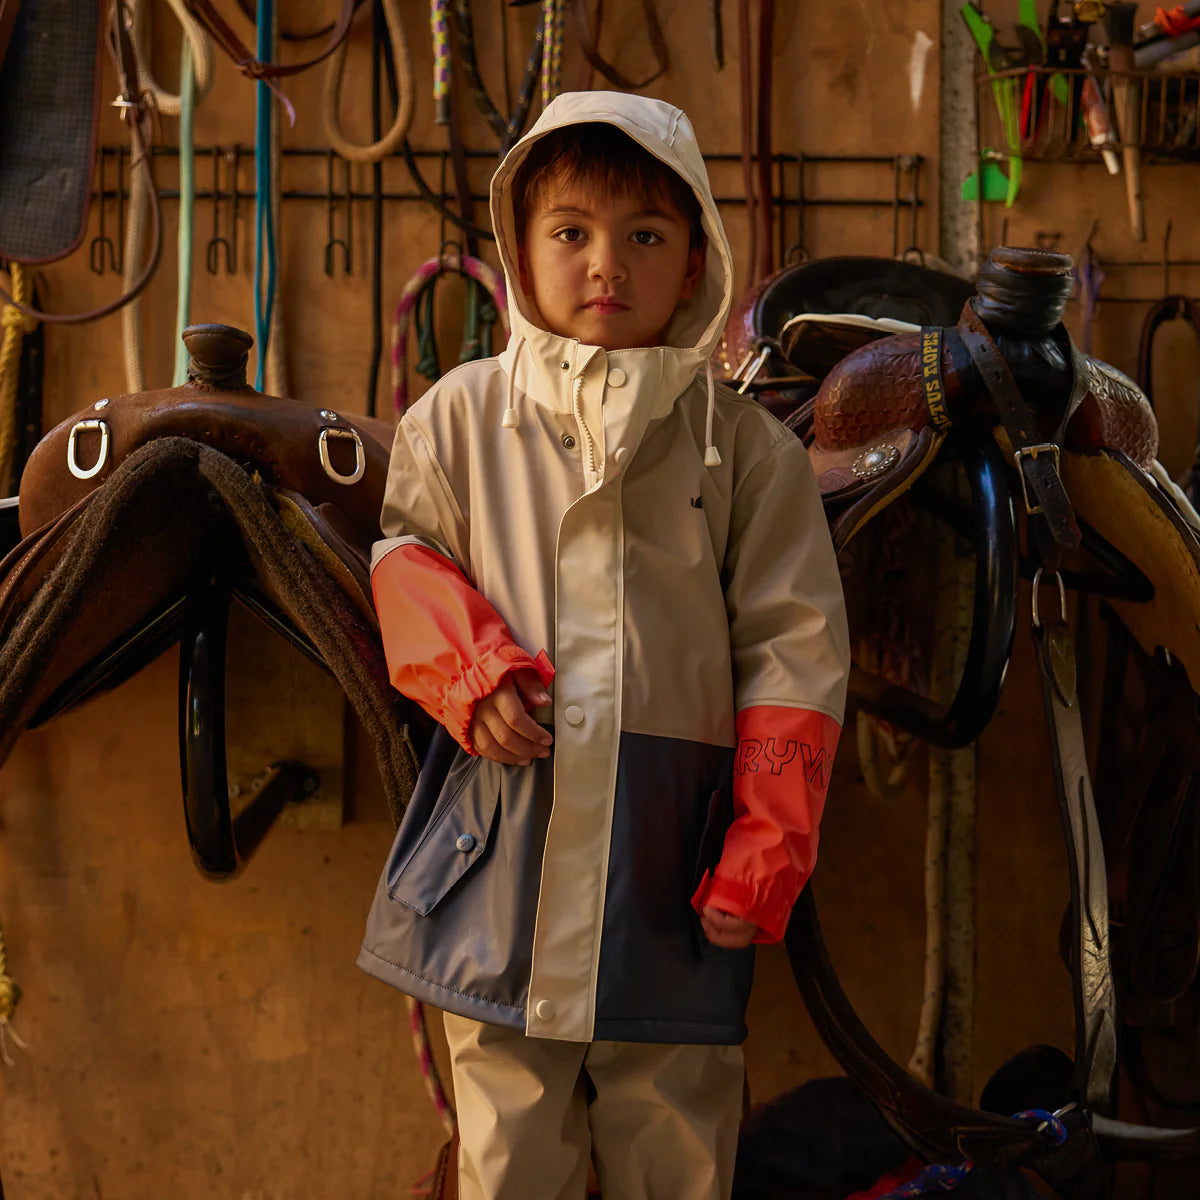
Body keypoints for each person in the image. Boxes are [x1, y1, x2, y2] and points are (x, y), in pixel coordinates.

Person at [357, 90, 851, 1200]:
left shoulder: (747, 453)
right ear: (519, 250)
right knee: (507, 1150)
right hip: (503, 854)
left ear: (697, 259)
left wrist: (766, 845)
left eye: (646, 236)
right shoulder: (458, 421)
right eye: (571, 232)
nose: (606, 265)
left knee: (676, 1141)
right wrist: (469, 672)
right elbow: (405, 559)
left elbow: (796, 652)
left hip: (676, 863)